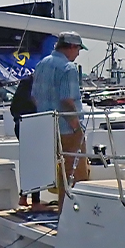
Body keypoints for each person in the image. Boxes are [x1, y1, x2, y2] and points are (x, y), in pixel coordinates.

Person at [31, 31, 89, 210]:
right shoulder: (68, 68)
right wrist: (77, 128)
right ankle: (72, 214)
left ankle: (64, 212)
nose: (78, 53)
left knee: (62, 173)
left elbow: (34, 96)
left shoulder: (42, 64)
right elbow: (67, 100)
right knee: (75, 174)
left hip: (47, 127)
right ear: (71, 47)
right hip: (66, 129)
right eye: (78, 48)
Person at [10, 76, 41, 209]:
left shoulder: (22, 89)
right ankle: (35, 201)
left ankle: (24, 196)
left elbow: (13, 109)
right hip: (32, 125)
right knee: (36, 163)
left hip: (20, 124)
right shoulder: (33, 88)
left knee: (29, 161)